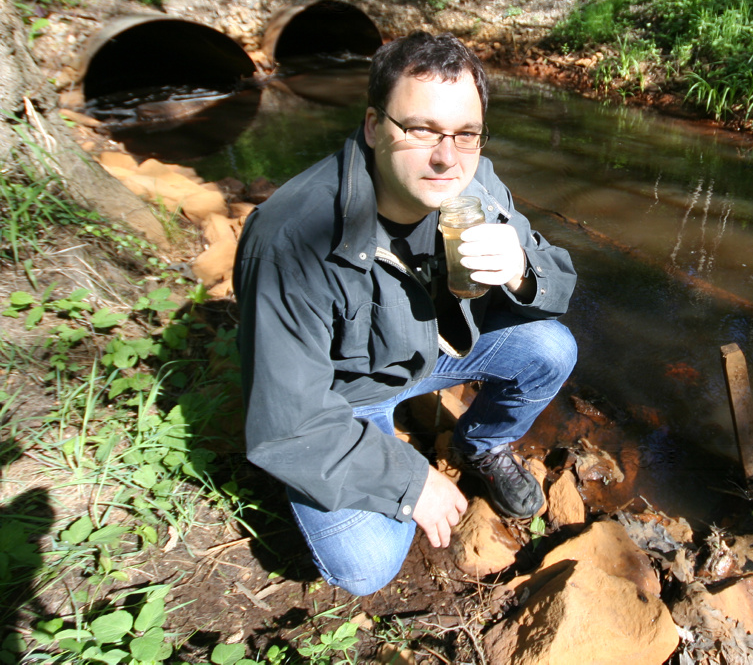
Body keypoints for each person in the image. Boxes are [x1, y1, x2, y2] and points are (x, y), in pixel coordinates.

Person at [233, 31, 577, 596]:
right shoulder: (293, 239)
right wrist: (409, 477)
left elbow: (561, 283)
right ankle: (351, 464)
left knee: (552, 348)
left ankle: (481, 443)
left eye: (465, 134)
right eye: (420, 130)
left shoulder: (474, 181)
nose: (447, 157)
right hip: (348, 398)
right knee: (367, 565)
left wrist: (522, 269)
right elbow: (283, 424)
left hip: (428, 354)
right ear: (373, 127)